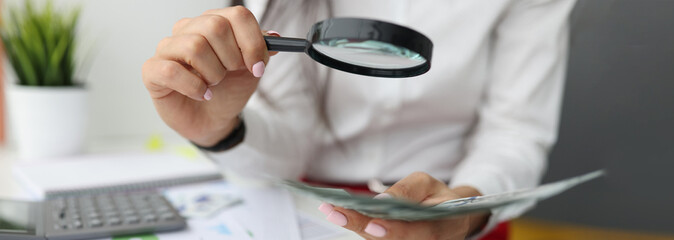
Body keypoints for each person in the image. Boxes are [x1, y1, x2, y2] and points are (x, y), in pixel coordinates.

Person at [141, 0, 575, 239]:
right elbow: (288, 151)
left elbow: (516, 132)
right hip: (310, 213)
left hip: (459, 212)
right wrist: (219, 130)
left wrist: (462, 210)